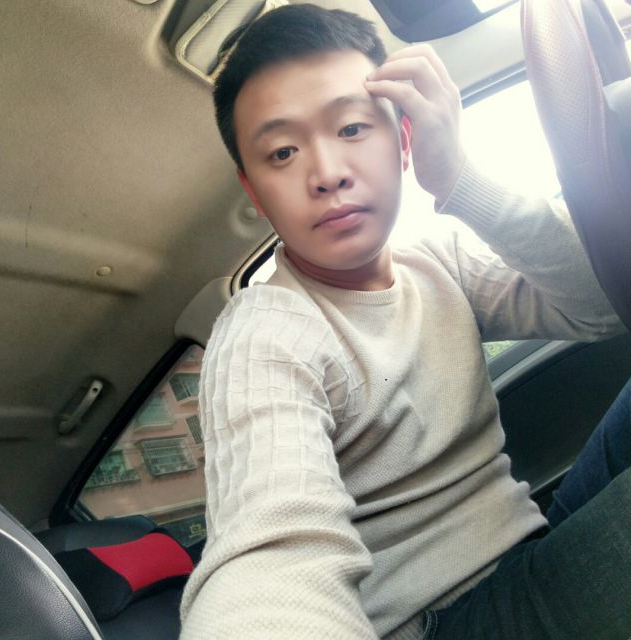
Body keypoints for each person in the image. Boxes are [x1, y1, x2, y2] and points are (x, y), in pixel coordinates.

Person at [179, 4, 629, 639]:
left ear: (405, 138)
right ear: (253, 192)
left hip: (529, 554)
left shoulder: (438, 262)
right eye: (282, 152)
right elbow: (269, 558)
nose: (327, 173)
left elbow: (602, 305)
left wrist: (460, 177)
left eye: (352, 128)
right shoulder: (264, 336)